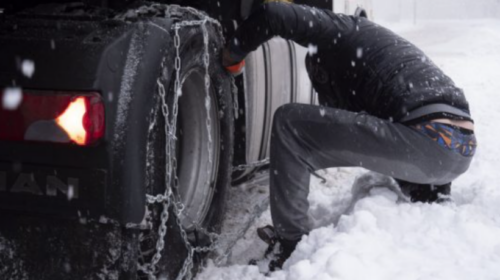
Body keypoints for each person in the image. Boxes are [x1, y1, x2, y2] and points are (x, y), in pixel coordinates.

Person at [222, 2, 477, 270]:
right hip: (459, 149)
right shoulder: (372, 50)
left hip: (427, 140)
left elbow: (272, 14)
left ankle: (290, 245)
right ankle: (429, 190)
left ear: (322, 66)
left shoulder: (333, 32)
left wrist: (232, 55)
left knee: (290, 124)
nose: (325, 101)